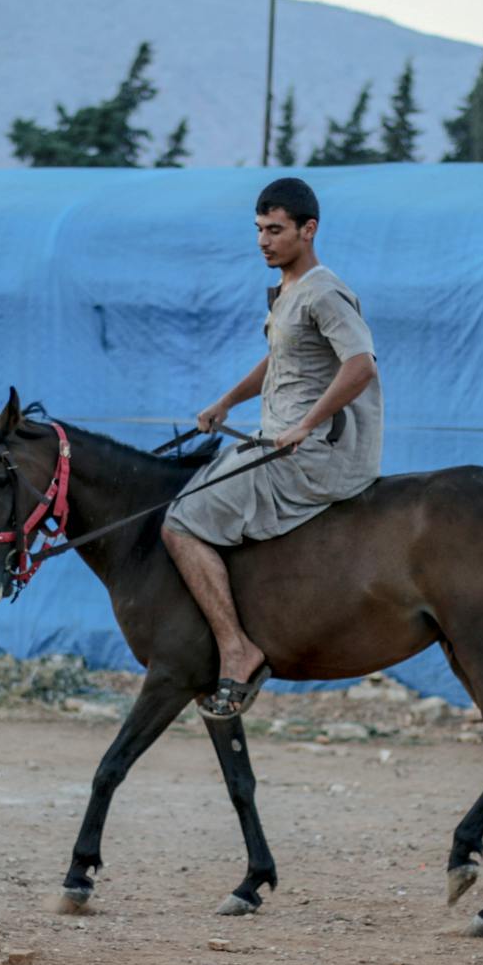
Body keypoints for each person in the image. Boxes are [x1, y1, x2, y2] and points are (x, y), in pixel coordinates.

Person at [162, 176, 382, 719]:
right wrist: (226, 402)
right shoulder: (287, 292)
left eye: (276, 230)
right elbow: (280, 363)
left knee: (179, 523)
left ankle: (238, 651)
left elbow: (361, 366)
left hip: (315, 455)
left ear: (309, 230)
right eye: (259, 229)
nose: (263, 241)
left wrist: (306, 424)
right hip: (279, 440)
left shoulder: (324, 291)